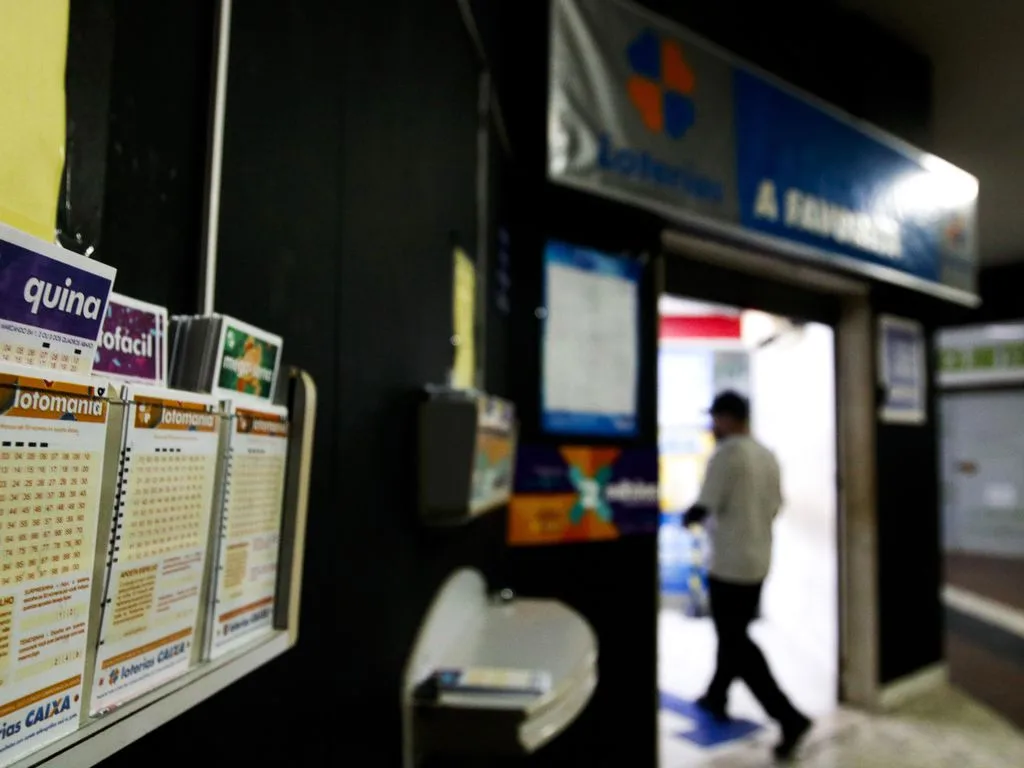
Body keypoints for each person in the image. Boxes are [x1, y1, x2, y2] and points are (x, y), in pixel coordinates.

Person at [682, 390, 811, 760]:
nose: (712, 425)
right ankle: (716, 696)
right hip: (758, 562)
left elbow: (705, 505)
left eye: (715, 418)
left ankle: (789, 717)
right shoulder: (767, 454)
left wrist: (685, 517)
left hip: (729, 565)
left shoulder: (727, 455)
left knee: (736, 641)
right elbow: (777, 506)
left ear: (728, 418)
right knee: (732, 632)